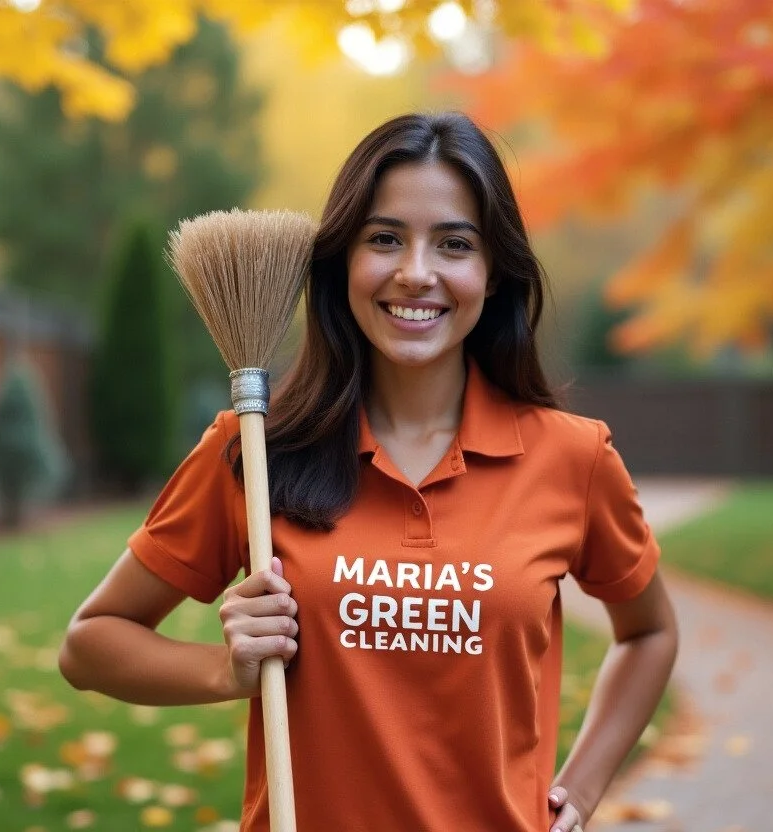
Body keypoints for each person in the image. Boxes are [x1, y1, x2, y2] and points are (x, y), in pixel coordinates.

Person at [58, 111, 679, 832]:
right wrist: (228, 672)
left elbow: (649, 634)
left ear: (493, 272)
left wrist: (582, 787)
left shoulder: (572, 458)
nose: (416, 273)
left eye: (453, 244)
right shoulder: (256, 451)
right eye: (385, 239)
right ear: (342, 263)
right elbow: (90, 644)